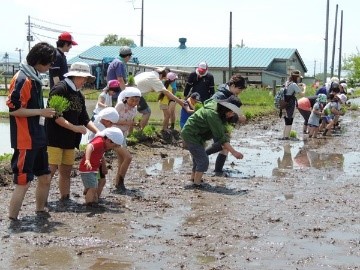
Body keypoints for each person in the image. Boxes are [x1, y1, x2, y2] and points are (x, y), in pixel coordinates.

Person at [6, 42, 57, 220]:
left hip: (38, 137)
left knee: (44, 176)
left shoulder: (35, 78)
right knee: (23, 181)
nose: (51, 66)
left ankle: (40, 211)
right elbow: (14, 110)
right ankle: (12, 220)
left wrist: (43, 113)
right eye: (50, 63)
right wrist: (41, 112)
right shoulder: (22, 79)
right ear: (40, 61)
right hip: (25, 140)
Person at [46, 62, 99, 201]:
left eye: (86, 79)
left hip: (70, 140)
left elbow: (85, 118)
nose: (85, 81)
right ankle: (42, 202)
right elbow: (56, 116)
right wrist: (76, 128)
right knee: (50, 171)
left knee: (66, 171)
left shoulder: (79, 95)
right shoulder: (60, 89)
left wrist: (99, 133)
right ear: (76, 76)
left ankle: (65, 198)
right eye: (84, 78)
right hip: (54, 138)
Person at [181, 96, 244, 186]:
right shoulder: (213, 115)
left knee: (198, 158)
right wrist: (234, 152)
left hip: (197, 135)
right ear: (226, 109)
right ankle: (197, 184)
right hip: (191, 135)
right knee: (204, 161)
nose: (232, 114)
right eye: (231, 112)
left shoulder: (216, 107)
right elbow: (222, 138)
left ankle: (193, 178)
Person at [205, 73, 247, 176]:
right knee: (222, 145)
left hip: (220, 123)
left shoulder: (228, 94)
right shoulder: (220, 96)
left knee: (224, 146)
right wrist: (237, 118)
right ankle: (202, 154)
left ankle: (218, 170)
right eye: (239, 89)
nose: (239, 92)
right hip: (213, 123)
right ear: (232, 86)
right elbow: (219, 114)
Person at [79, 127, 124, 205]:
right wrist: (87, 160)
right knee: (93, 188)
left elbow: (100, 155)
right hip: (87, 168)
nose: (113, 148)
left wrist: (104, 166)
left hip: (94, 169)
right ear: (109, 140)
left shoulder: (104, 144)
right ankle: (89, 205)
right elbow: (90, 146)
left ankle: (92, 200)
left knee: (94, 187)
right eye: (114, 146)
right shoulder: (99, 141)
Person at [114, 87, 142, 192]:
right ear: (126, 98)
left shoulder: (134, 109)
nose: (134, 103)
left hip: (123, 135)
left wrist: (134, 125)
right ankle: (120, 183)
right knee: (128, 157)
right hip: (114, 134)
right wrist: (127, 123)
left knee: (121, 160)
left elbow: (130, 122)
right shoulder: (121, 105)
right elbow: (112, 120)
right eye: (132, 100)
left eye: (137, 101)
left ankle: (118, 183)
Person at [88, 107, 119, 198]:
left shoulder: (96, 124)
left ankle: (93, 196)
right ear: (106, 120)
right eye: (111, 123)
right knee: (101, 180)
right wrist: (104, 165)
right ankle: (95, 198)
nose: (112, 125)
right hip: (96, 158)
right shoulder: (102, 131)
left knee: (96, 180)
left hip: (94, 157)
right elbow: (99, 150)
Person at [279, 70, 306, 140]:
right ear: (296, 77)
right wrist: (304, 88)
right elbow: (302, 94)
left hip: (284, 103)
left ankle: (285, 136)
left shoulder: (287, 82)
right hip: (290, 103)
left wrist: (299, 85)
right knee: (290, 120)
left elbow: (290, 88)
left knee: (286, 120)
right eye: (299, 77)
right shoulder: (294, 85)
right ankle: (286, 137)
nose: (299, 79)